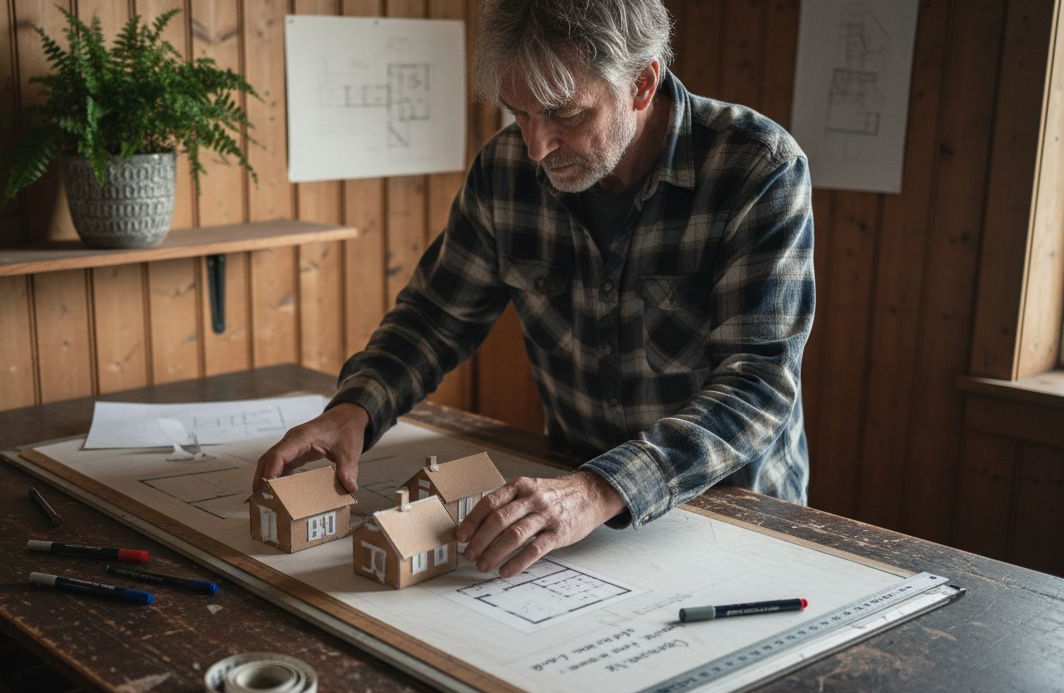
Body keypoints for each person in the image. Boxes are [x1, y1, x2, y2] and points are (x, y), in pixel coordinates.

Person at [254, 0, 814, 579]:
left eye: (564, 114)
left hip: (730, 511)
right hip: (568, 501)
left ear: (641, 83)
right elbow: (435, 316)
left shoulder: (757, 169)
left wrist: (600, 489)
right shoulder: (505, 171)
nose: (536, 146)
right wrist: (355, 408)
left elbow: (759, 384)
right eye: (518, 113)